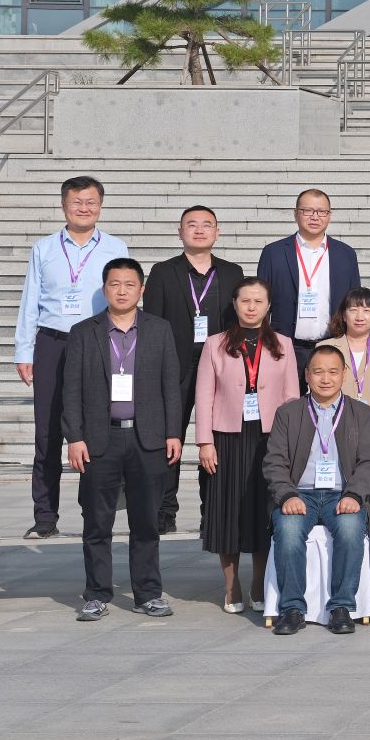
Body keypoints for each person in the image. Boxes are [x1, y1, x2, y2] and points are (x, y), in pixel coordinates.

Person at [60, 257, 179, 620]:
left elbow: (171, 386)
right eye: (115, 284)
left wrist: (173, 432)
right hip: (100, 439)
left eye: (129, 284)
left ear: (141, 289)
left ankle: (148, 593)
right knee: (97, 522)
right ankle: (96, 594)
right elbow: (71, 389)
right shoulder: (84, 332)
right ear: (104, 289)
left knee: (146, 522)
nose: (122, 291)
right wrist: (74, 437)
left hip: (148, 439)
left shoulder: (159, 329)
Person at [16, 175, 132, 540]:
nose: (84, 208)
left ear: (101, 206)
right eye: (77, 202)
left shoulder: (115, 246)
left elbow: (125, 296)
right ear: (64, 205)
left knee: (96, 428)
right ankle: (45, 514)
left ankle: (94, 511)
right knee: (48, 431)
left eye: (91, 202)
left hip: (98, 342)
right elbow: (30, 301)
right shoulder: (44, 248)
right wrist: (24, 351)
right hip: (52, 342)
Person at [196, 277, 300, 614]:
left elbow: (291, 396)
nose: (251, 307)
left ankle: (258, 582)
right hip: (227, 437)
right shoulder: (215, 344)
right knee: (226, 511)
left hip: (269, 438)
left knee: (261, 510)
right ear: (235, 304)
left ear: (268, 306)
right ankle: (231, 586)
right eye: (245, 301)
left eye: (258, 301)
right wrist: (205, 442)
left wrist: (290, 442)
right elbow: (204, 395)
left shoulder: (283, 344)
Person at [261, 345, 370, 635]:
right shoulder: (288, 413)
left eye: (333, 372)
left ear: (344, 375)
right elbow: (274, 461)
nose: (325, 379)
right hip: (299, 494)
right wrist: (287, 495)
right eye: (318, 372)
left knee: (350, 529)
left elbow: (369, 462)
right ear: (306, 375)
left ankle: (341, 607)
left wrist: (354, 494)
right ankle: (292, 609)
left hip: (343, 494)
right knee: (288, 531)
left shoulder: (361, 413)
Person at [141, 204, 240, 534]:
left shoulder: (232, 273)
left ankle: (212, 510)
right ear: (180, 232)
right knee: (169, 440)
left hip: (219, 368)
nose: (199, 230)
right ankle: (164, 510)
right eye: (192, 224)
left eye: (206, 224)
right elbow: (151, 324)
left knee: (216, 441)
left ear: (217, 232)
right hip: (174, 369)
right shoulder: (163, 272)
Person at [255, 188, 361, 375]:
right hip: (285, 347)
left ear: (329, 216)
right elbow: (260, 302)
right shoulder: (274, 253)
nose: (315, 217)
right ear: (295, 213)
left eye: (321, 211)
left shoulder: (345, 254)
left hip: (333, 347)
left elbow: (354, 303)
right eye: (307, 211)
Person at [320, 287, 370, 428]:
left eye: (367, 311)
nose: (359, 317)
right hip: (333, 424)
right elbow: (316, 390)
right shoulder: (325, 347)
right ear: (344, 316)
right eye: (353, 310)